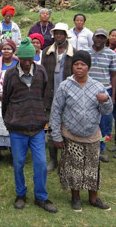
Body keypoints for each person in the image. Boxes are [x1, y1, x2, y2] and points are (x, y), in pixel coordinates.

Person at [50, 50, 113, 212]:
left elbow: (107, 111)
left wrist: (105, 100)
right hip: (71, 135)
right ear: (72, 67)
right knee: (74, 169)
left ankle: (93, 198)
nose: (79, 68)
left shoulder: (98, 87)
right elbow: (56, 111)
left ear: (88, 67)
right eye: (76, 64)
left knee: (92, 169)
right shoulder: (65, 86)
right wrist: (56, 135)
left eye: (83, 65)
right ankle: (75, 198)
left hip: (92, 135)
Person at [2, 38, 58, 213]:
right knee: (18, 163)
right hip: (17, 127)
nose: (26, 63)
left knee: (40, 163)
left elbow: (42, 93)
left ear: (34, 56)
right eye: (23, 59)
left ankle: (41, 196)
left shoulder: (41, 72)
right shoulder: (10, 74)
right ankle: (21, 194)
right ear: (18, 58)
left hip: (37, 128)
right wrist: (9, 119)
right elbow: (5, 100)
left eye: (30, 59)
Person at [42, 23, 75, 172]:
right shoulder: (46, 52)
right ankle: (53, 160)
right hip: (50, 97)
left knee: (68, 129)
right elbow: (42, 74)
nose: (59, 36)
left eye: (61, 33)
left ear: (66, 35)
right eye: (56, 33)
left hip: (68, 97)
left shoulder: (74, 53)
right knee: (51, 130)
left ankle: (66, 160)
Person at [87, 29, 116, 162]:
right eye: (97, 37)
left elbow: (114, 75)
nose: (99, 40)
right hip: (88, 92)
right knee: (89, 120)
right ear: (93, 38)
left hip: (105, 92)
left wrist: (113, 95)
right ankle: (88, 147)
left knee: (104, 123)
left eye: (102, 38)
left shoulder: (111, 54)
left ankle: (101, 148)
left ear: (106, 40)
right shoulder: (86, 53)